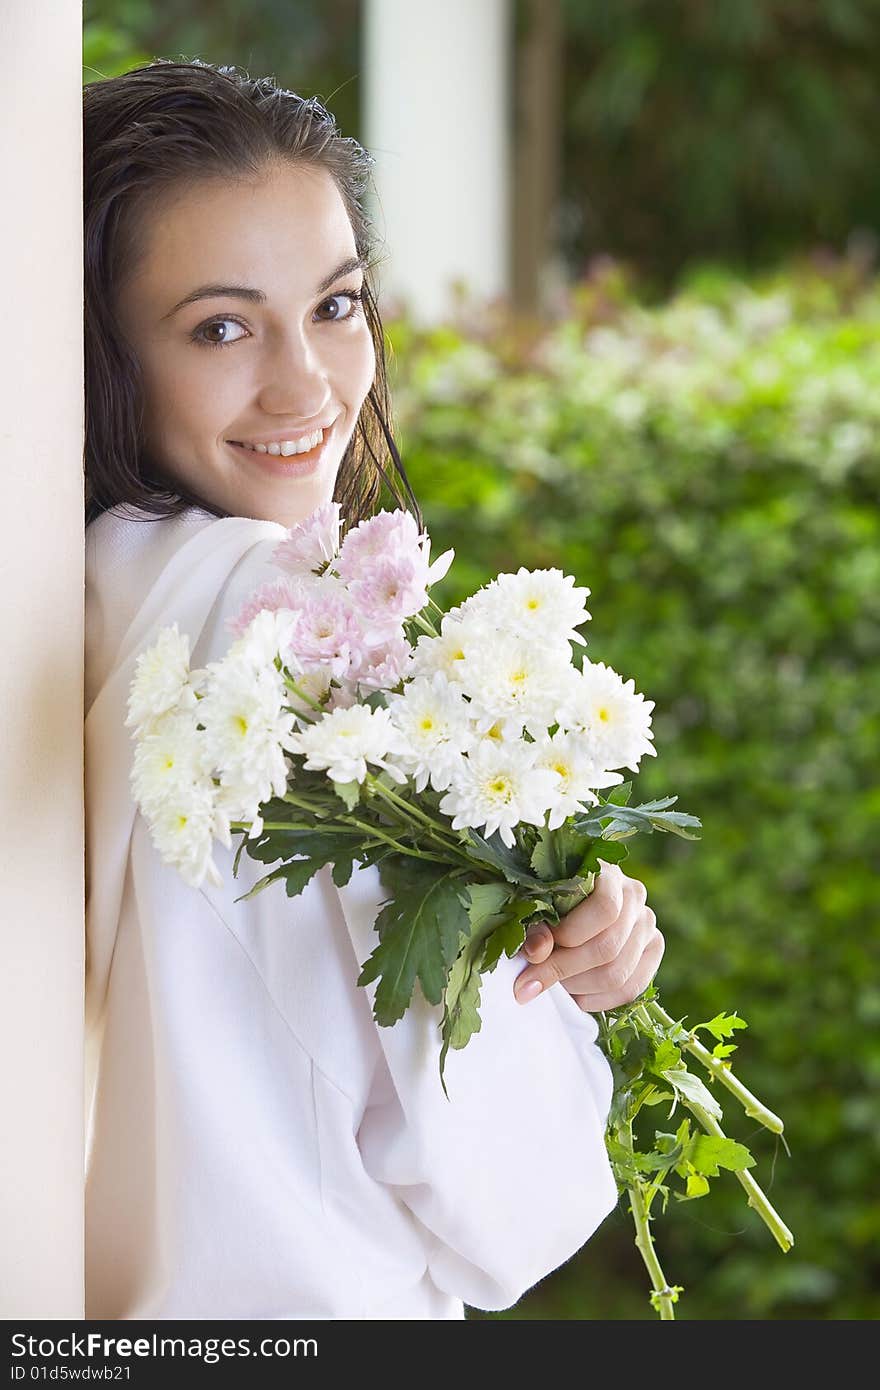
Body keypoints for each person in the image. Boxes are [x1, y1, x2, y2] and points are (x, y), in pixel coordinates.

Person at [83, 58, 665, 1320]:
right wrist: (560, 1008)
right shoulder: (284, 629)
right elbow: (508, 1201)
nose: (307, 387)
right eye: (220, 327)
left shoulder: (94, 598)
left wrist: (555, 922)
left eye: (336, 305)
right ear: (107, 355)